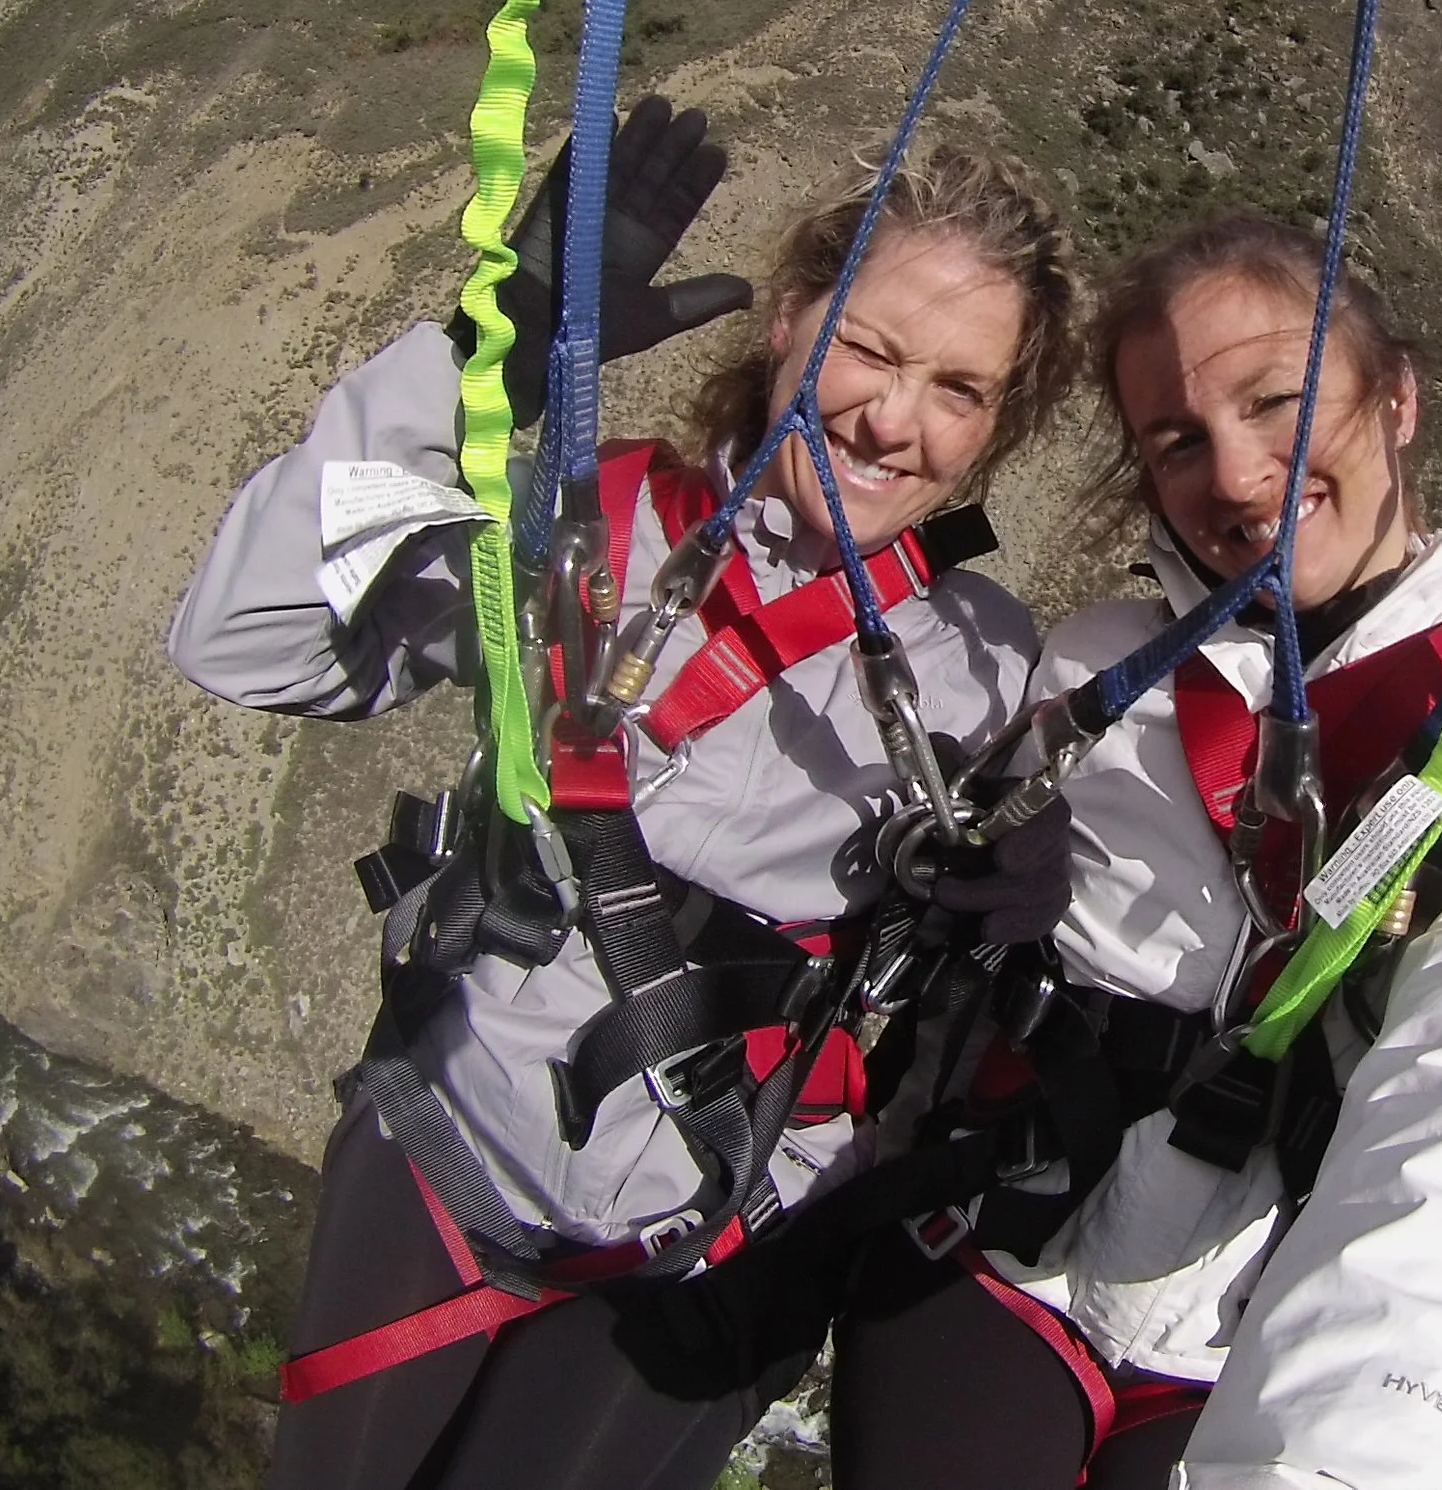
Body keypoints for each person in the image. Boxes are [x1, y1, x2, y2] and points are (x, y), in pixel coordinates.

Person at [166, 98, 1083, 1489]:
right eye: (871, 348)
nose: (896, 418)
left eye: (959, 388)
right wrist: (494, 354)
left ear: (1000, 423)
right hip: (452, 1138)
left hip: (719, 1230)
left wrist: (1032, 892)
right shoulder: (577, 521)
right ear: (786, 318)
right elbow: (245, 636)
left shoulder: (990, 667)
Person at [829, 214, 1442, 1490]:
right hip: (993, 1247)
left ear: (1397, 400)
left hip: (1247, 1335)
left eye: (1277, 406)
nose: (1235, 476)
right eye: (1178, 443)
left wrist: (1337, 1460)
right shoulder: (1090, 670)